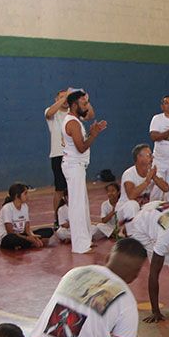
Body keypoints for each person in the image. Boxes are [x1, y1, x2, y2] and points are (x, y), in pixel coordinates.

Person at [61, 88, 108, 254]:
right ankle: (80, 246)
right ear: (74, 105)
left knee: (83, 204)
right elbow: (81, 147)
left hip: (77, 166)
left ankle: (86, 239)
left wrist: (94, 132)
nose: (86, 106)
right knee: (77, 206)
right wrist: (93, 135)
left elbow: (80, 142)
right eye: (83, 103)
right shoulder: (72, 123)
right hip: (74, 166)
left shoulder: (75, 120)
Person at [44, 88, 87, 222]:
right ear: (56, 99)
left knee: (74, 189)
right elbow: (49, 113)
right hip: (58, 154)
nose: (65, 100)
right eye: (61, 97)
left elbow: (90, 115)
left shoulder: (73, 114)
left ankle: (73, 217)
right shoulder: (52, 112)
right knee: (60, 189)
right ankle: (57, 219)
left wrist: (85, 100)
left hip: (73, 156)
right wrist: (65, 96)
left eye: (66, 97)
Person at [118, 143, 169, 223]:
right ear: (139, 157)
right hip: (125, 210)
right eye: (149, 155)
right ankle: (128, 229)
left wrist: (154, 177)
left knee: (158, 205)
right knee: (132, 205)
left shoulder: (152, 172)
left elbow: (166, 188)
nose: (152, 157)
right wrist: (147, 181)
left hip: (141, 209)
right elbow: (131, 196)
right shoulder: (129, 174)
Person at [0, 183, 44, 250]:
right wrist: (28, 238)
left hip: (21, 235)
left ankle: (24, 244)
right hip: (8, 237)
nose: (27, 196)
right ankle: (28, 243)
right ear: (17, 196)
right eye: (25, 193)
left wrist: (33, 237)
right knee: (11, 238)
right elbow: (10, 232)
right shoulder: (7, 208)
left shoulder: (25, 206)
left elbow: (27, 229)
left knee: (48, 231)